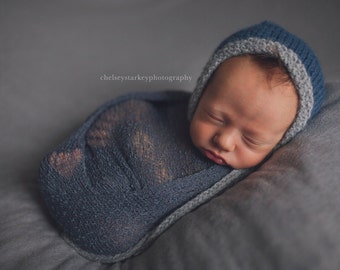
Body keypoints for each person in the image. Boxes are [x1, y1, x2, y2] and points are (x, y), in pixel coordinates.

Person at [39, 21, 325, 263]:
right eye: (214, 116)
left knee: (115, 231)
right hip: (117, 156)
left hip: (114, 215)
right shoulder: (168, 112)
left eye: (251, 139)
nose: (223, 140)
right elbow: (132, 120)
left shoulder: (243, 180)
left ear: (281, 140)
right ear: (201, 93)